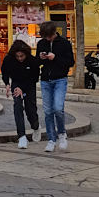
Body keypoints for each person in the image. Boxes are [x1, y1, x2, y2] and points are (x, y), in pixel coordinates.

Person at [37, 22, 74, 152]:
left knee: (58, 108)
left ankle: (62, 134)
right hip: (46, 80)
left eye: (48, 36)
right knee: (47, 111)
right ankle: (51, 139)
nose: (46, 39)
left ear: (53, 33)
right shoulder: (41, 43)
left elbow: (70, 62)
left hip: (60, 79)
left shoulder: (64, 43)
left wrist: (55, 57)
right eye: (44, 36)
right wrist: (41, 58)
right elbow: (38, 62)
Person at [2, 39, 41, 149]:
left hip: (29, 85)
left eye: (22, 56)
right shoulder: (9, 59)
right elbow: (5, 72)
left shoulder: (32, 61)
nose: (20, 58)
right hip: (16, 84)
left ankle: (36, 126)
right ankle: (22, 136)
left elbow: (35, 78)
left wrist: (22, 89)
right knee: (17, 106)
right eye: (17, 56)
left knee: (30, 109)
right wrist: (7, 84)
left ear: (26, 54)